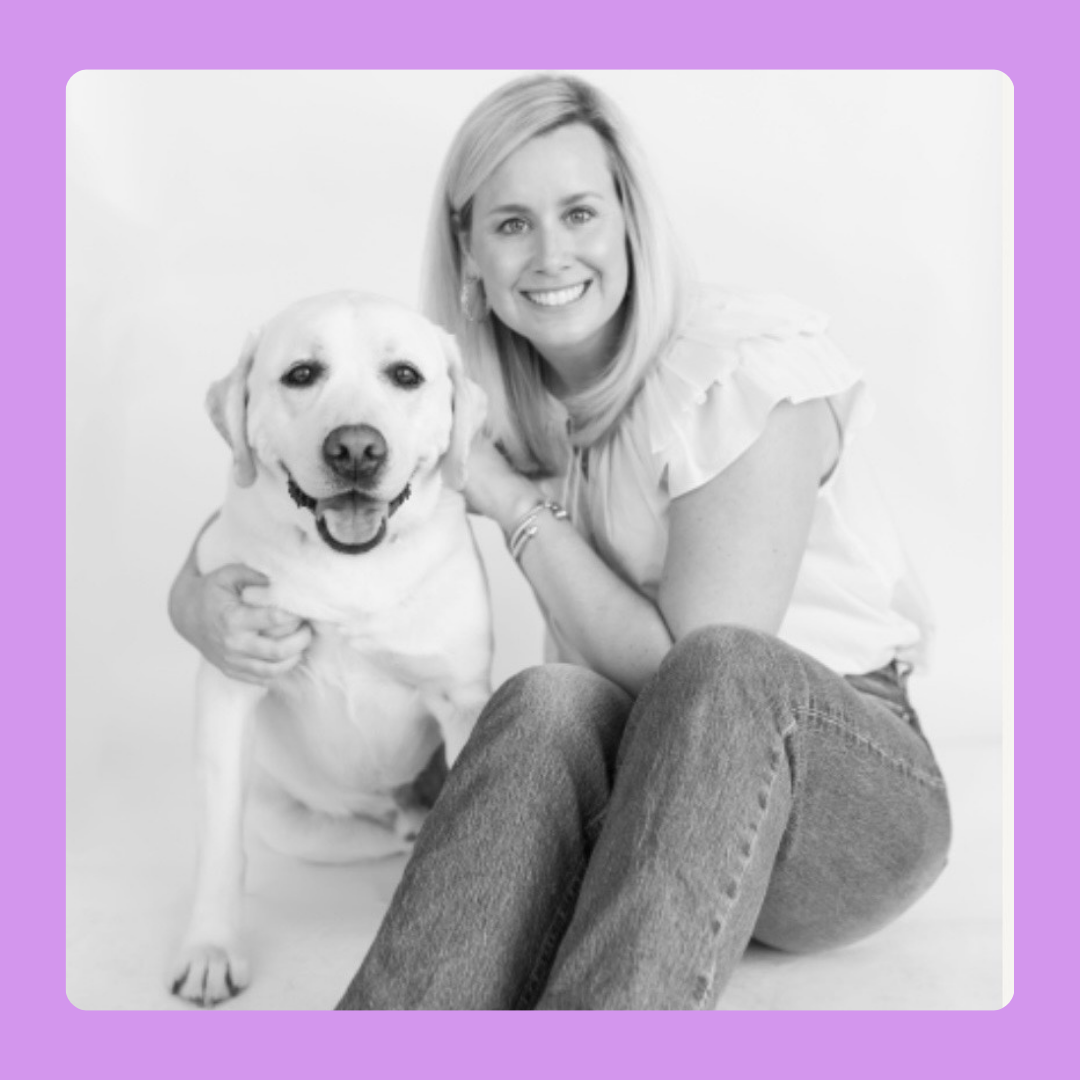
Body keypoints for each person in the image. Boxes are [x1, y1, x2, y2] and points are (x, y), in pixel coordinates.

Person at [169, 73, 951, 1010]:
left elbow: (692, 672)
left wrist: (508, 500)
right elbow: (282, 491)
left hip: (837, 801)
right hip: (648, 808)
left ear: (630, 223)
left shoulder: (740, 368)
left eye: (579, 213)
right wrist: (194, 600)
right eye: (511, 224)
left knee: (721, 666)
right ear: (470, 253)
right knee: (540, 700)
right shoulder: (481, 395)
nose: (550, 254)